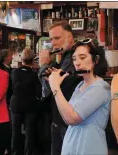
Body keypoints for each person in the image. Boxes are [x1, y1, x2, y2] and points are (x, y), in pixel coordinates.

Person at [48, 38, 111, 154]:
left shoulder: (101, 88)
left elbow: (72, 118)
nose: (77, 62)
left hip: (89, 148)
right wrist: (56, 87)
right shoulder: (80, 85)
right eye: (74, 59)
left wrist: (55, 87)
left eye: (82, 57)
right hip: (72, 144)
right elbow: (65, 116)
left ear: (95, 59)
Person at [38, 21, 83, 155]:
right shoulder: (64, 56)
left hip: (69, 120)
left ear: (70, 37)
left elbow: (53, 86)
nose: (53, 43)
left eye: (57, 38)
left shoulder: (74, 57)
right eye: (51, 39)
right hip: (59, 118)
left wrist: (43, 65)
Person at [10, 48, 42, 155]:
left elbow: (10, 90)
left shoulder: (14, 72)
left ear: (21, 59)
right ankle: (28, 152)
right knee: (29, 131)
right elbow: (38, 92)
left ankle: (15, 152)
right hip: (30, 105)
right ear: (33, 60)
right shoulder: (34, 75)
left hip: (16, 104)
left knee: (15, 131)